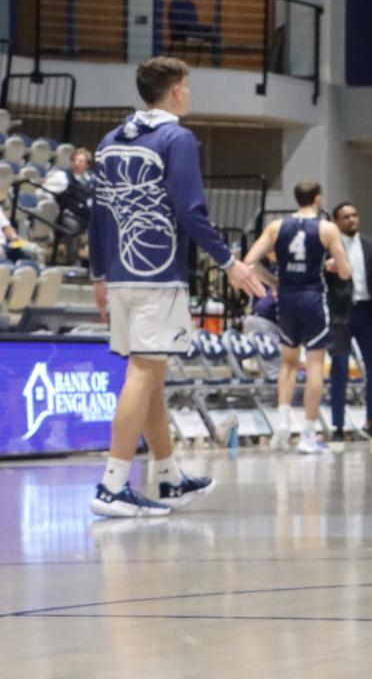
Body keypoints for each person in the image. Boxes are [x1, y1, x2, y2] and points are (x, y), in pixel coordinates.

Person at [88, 57, 266, 516]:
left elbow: (98, 212)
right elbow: (190, 211)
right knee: (142, 375)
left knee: (152, 379)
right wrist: (229, 262)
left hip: (120, 271)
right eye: (188, 85)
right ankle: (112, 484)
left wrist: (98, 275)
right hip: (159, 272)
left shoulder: (110, 141)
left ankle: (167, 479)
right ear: (177, 91)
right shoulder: (177, 138)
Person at [243, 180, 353, 454]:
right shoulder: (327, 229)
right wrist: (331, 263)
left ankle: (281, 427)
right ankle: (307, 434)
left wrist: (274, 283)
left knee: (288, 364)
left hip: (288, 298)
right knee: (314, 365)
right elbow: (346, 272)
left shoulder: (276, 226)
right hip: (313, 296)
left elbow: (248, 262)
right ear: (318, 199)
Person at [326, 201, 372, 444]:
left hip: (367, 311)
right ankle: (338, 425)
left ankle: (371, 421)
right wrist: (326, 267)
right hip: (341, 314)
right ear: (336, 222)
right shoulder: (328, 247)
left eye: (355, 215)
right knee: (340, 369)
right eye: (346, 217)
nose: (352, 220)